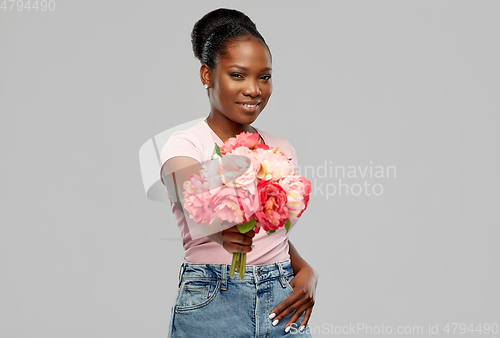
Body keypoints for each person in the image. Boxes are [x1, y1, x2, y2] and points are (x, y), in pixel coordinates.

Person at [160, 8, 318, 337]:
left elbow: (273, 237)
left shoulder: (281, 150)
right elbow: (185, 185)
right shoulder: (186, 143)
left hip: (280, 299)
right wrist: (219, 230)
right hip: (213, 299)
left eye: (264, 76)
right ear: (207, 75)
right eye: (237, 75)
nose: (254, 89)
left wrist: (305, 271)